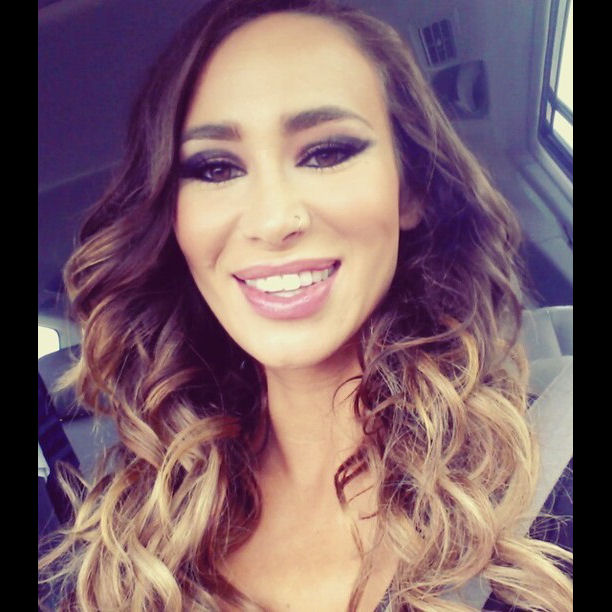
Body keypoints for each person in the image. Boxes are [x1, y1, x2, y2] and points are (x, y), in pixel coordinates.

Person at [38, 0, 572, 610]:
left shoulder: (552, 473)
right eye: (215, 167)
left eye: (326, 152)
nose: (273, 221)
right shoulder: (123, 537)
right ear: (174, 222)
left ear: (410, 190)